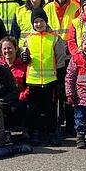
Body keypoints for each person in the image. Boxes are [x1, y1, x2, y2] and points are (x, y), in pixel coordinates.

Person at [19, 10, 68, 146]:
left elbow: (60, 58)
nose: (39, 24)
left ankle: (52, 132)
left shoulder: (54, 38)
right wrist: (24, 58)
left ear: (46, 22)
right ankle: (35, 132)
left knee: (50, 108)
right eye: (36, 22)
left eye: (41, 21)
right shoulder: (28, 38)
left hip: (50, 79)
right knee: (34, 108)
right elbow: (24, 57)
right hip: (33, 80)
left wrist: (60, 77)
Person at [0, 36, 29, 132]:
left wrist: (22, 96)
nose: (7, 51)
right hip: (3, 99)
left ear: (16, 48)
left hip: (19, 98)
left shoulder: (24, 65)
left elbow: (29, 85)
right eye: (4, 48)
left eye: (10, 48)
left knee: (17, 108)